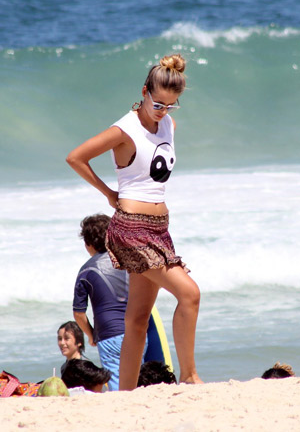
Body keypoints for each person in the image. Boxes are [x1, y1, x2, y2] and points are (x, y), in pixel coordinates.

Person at [66, 53, 202, 389]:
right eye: (158, 104)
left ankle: (126, 394)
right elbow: (76, 157)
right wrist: (108, 194)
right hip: (131, 229)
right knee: (190, 294)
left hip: (159, 229)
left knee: (138, 320)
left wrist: (165, 116)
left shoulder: (168, 124)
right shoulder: (125, 128)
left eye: (171, 105)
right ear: (144, 92)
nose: (163, 111)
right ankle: (189, 375)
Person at [73, 213, 131, 391]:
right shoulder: (129, 261)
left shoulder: (86, 270)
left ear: (88, 244)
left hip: (109, 334)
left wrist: (91, 335)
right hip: (137, 330)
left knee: (117, 384)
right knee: (136, 377)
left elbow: (79, 313)